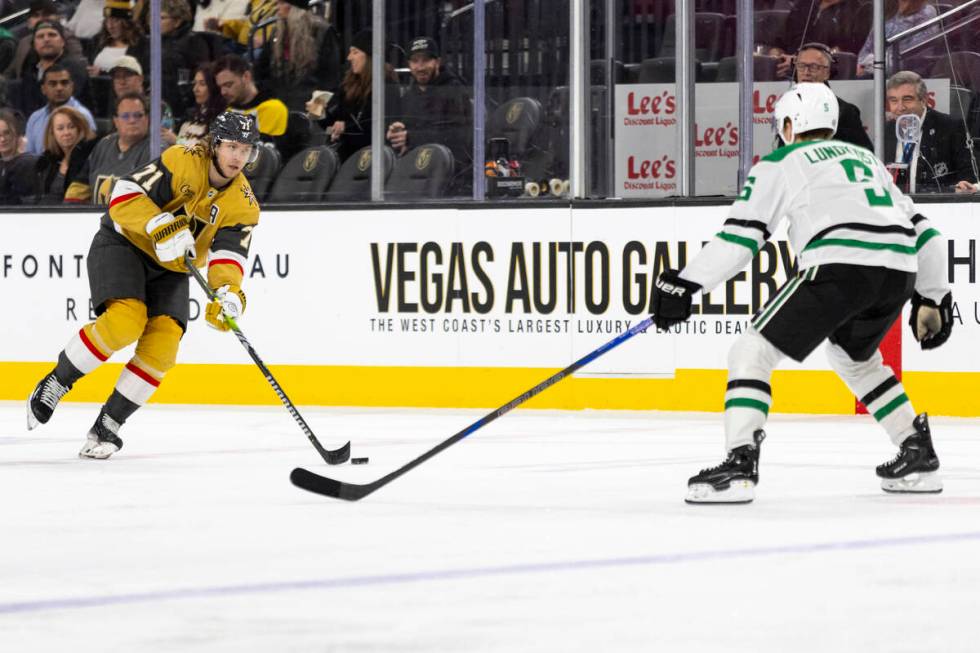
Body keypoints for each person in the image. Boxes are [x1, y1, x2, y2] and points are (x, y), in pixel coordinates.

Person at [651, 82, 952, 503]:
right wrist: (933, 296)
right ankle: (916, 451)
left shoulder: (781, 161)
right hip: (898, 270)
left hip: (840, 264)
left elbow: (742, 240)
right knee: (853, 357)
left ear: (790, 124)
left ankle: (739, 463)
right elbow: (929, 235)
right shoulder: (867, 160)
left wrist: (686, 284)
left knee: (750, 352)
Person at [26, 112, 262, 460]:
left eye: (245, 150)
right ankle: (57, 381)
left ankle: (108, 425)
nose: (237, 157)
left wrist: (227, 293)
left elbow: (228, 256)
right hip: (124, 245)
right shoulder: (181, 160)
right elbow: (123, 194)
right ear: (214, 145)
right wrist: (159, 225)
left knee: (164, 345)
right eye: (231, 147)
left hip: (172, 268)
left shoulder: (243, 204)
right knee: (125, 322)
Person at [385, 36, 471, 193]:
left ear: (437, 62)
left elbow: (458, 136)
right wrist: (396, 135)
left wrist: (411, 138)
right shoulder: (409, 96)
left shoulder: (453, 90)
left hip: (449, 180)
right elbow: (407, 134)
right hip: (417, 175)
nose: (420, 67)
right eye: (415, 61)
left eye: (425, 60)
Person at [883, 70, 978, 194]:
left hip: (938, 207)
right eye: (894, 100)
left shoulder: (951, 127)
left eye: (907, 99)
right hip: (897, 207)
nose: (900, 107)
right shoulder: (888, 130)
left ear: (924, 100)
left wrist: (965, 187)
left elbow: (970, 177)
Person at [253, 0, 343, 111]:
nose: (277, 8)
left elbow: (330, 78)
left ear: (295, 7)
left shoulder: (322, 32)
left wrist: (316, 110)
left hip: (309, 106)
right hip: (278, 105)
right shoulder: (277, 33)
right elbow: (261, 70)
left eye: (281, 3)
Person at [321, 30, 397, 162]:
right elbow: (331, 129)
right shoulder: (348, 84)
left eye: (355, 52)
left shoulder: (386, 87)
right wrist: (320, 113)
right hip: (345, 160)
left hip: (371, 161)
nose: (349, 57)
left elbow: (377, 132)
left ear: (370, 56)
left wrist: (345, 129)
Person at [64, 92, 152, 204]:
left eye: (138, 115)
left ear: (147, 118)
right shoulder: (103, 145)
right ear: (116, 121)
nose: (132, 120)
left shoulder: (155, 148)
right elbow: (79, 188)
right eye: (125, 116)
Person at [793, 42, 873, 151]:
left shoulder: (845, 112)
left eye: (814, 67)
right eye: (801, 66)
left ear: (827, 72)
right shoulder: (789, 108)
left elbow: (865, 154)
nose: (806, 72)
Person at [213, 54, 292, 155]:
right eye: (220, 87)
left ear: (246, 77)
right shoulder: (228, 111)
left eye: (228, 85)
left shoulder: (272, 107)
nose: (223, 92)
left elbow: (263, 156)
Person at [770, 0, 870, 77]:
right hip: (787, 74)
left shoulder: (858, 10)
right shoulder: (804, 6)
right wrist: (775, 56)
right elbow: (780, 42)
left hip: (828, 79)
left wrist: (799, 62)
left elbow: (843, 54)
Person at [16, 19, 91, 116]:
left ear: (63, 42)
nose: (46, 39)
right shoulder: (30, 70)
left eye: (52, 35)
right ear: (34, 45)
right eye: (40, 36)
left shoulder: (74, 68)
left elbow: (64, 106)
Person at [24, 64, 97, 155]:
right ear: (43, 89)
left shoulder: (83, 115)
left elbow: (91, 155)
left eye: (64, 83)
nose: (59, 88)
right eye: (53, 84)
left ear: (72, 86)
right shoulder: (35, 118)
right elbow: (29, 155)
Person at [30, 105, 96, 203]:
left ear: (80, 128)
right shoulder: (48, 161)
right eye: (60, 128)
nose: (66, 133)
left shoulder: (90, 157)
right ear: (52, 133)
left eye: (71, 127)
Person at [856, 0, 938, 77]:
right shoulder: (885, 10)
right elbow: (865, 51)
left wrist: (869, 66)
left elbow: (916, 58)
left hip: (907, 78)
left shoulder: (926, 12)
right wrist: (864, 65)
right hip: (874, 73)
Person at [159, 0, 211, 117]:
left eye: (162, 18)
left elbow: (198, 75)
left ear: (177, 21)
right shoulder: (157, 41)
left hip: (181, 103)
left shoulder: (193, 42)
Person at [87, 0, 148, 77]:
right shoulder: (96, 40)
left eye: (116, 21)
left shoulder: (141, 44)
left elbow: (141, 74)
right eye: (107, 21)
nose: (110, 26)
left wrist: (102, 74)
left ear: (126, 22)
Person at [176, 63, 227, 146]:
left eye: (202, 84)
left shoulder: (223, 121)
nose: (195, 89)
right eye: (195, 83)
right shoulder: (190, 119)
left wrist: (175, 139)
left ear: (213, 87)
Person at [0, 110, 37, 205]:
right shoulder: (2, 164)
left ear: (17, 134)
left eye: (7, 133)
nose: (2, 139)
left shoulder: (26, 163)